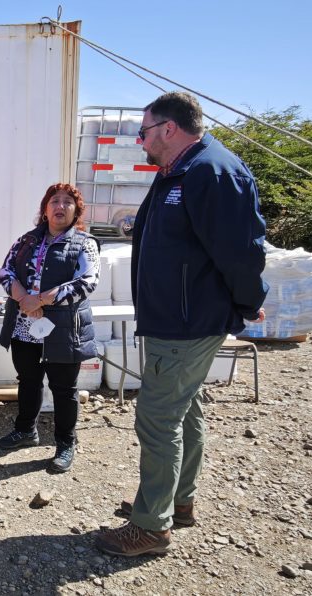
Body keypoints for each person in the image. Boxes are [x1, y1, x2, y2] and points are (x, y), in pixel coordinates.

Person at [95, 92, 267, 557]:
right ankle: (177, 502)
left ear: (169, 129)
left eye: (144, 131)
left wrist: (251, 304)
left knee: (157, 418)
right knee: (185, 409)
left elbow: (242, 252)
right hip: (174, 318)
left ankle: (151, 527)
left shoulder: (213, 172)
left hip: (188, 322)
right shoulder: (181, 170)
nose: (140, 141)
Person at [0, 183, 99, 473]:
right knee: (28, 380)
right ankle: (25, 430)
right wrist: (22, 299)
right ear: (45, 208)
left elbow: (86, 282)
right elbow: (6, 270)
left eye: (68, 202)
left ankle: (66, 444)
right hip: (25, 325)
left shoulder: (84, 243)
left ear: (76, 211)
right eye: (55, 200)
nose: (60, 206)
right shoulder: (26, 240)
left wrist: (39, 299)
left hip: (63, 328)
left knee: (64, 388)